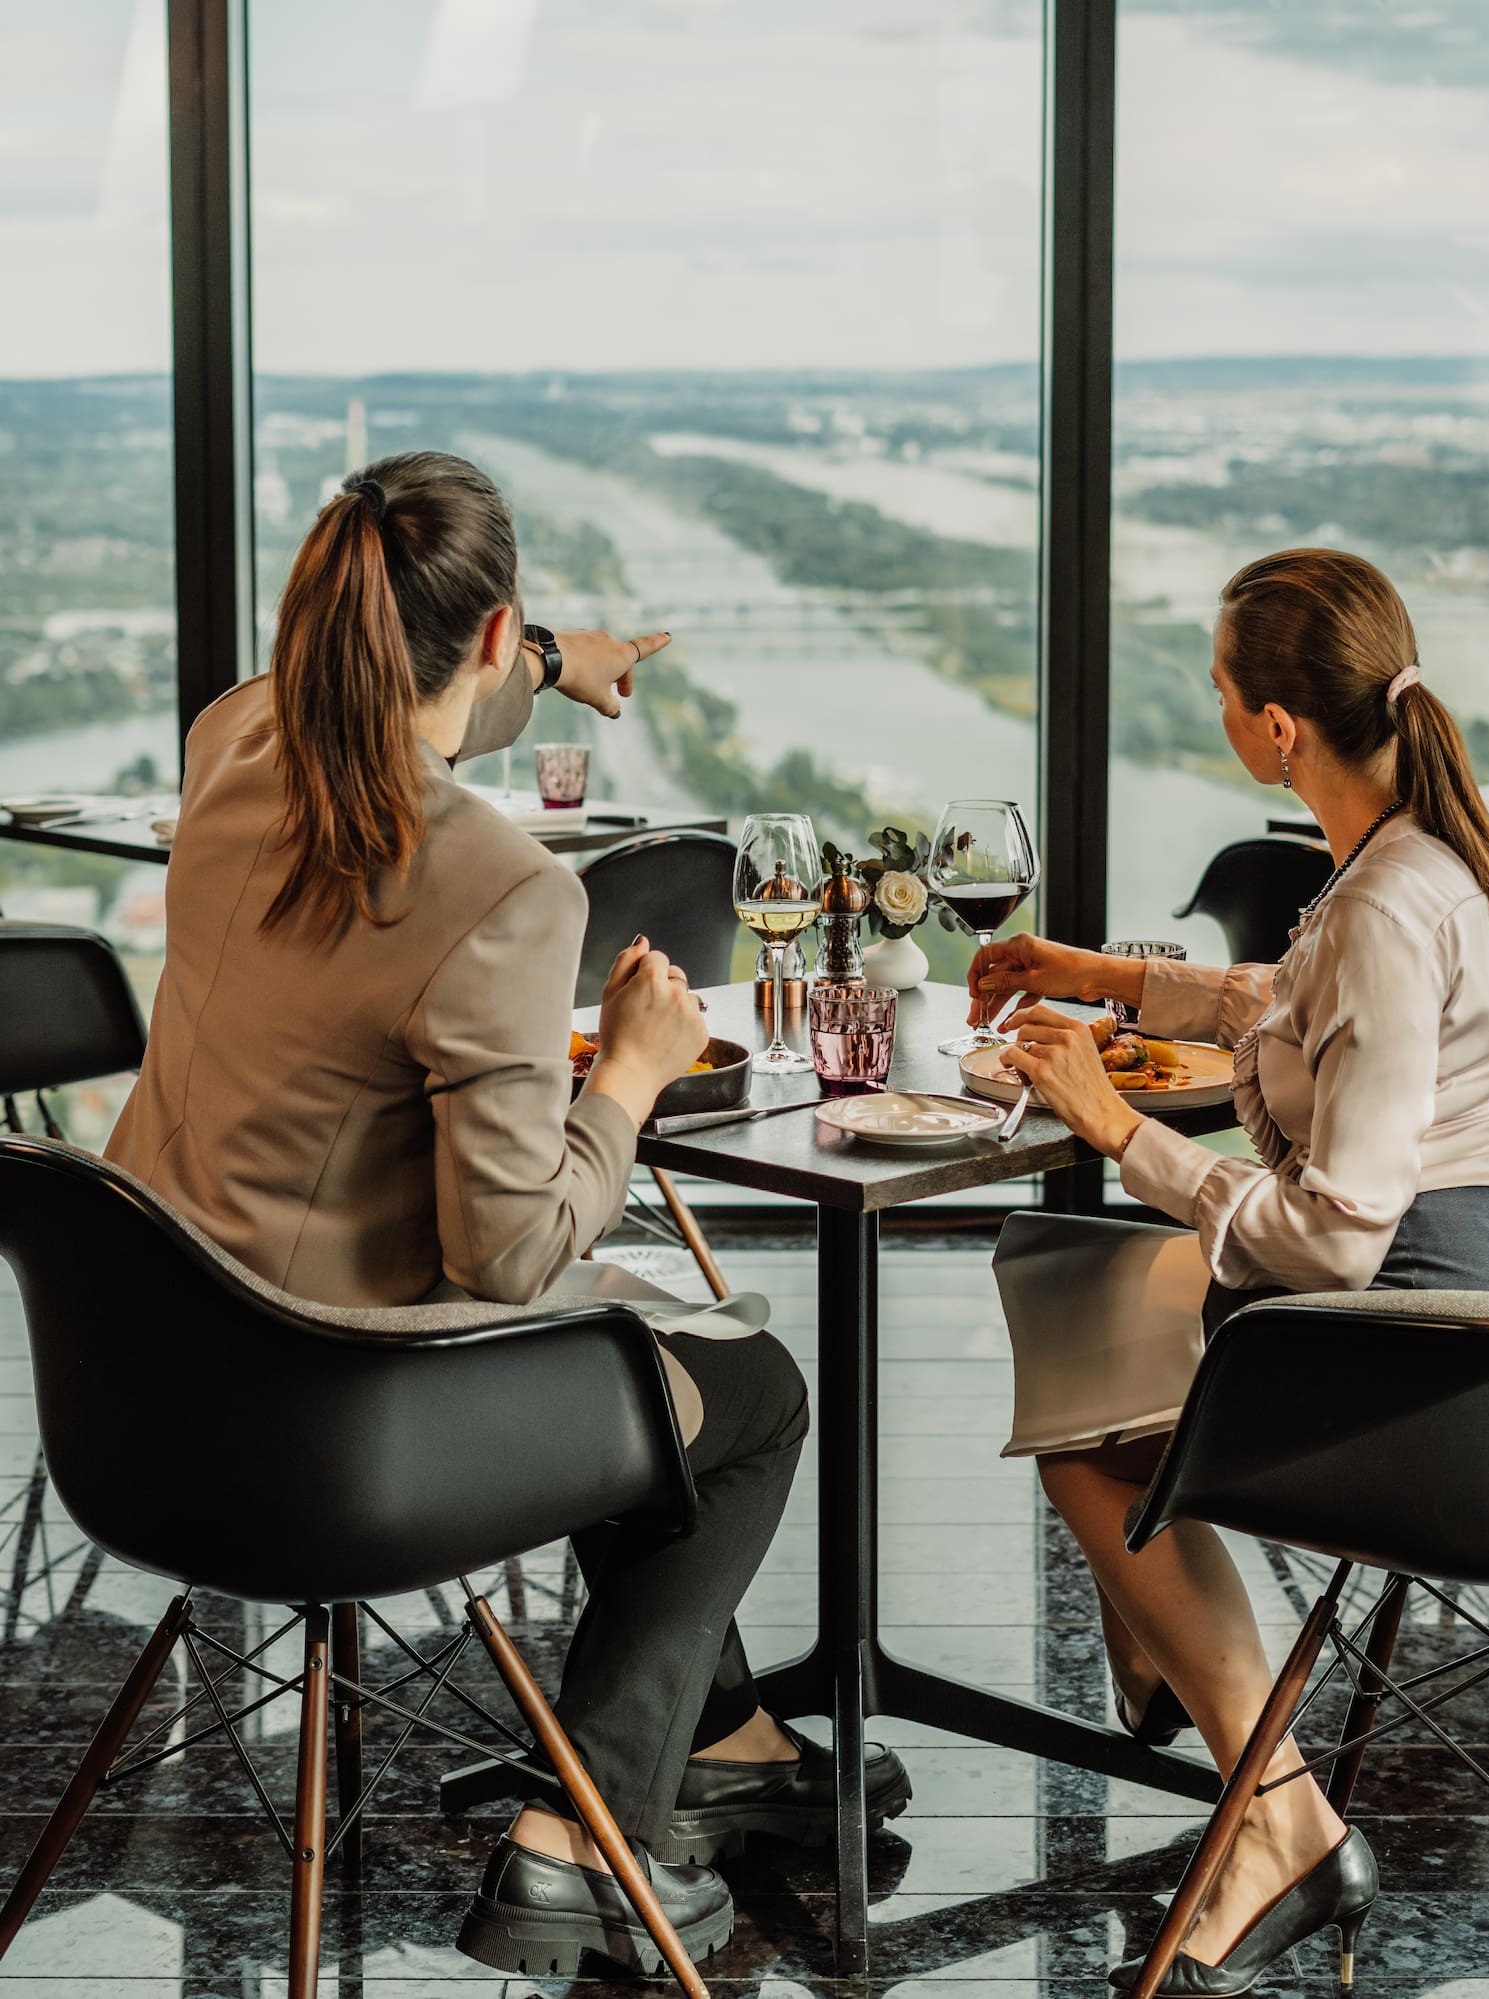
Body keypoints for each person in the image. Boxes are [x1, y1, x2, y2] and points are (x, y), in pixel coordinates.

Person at [105, 450, 908, 1978]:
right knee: (743, 1392)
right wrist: (633, 1082)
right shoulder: (495, 885)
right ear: (486, 639)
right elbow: (511, 1255)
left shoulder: (232, 743)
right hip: (328, 1427)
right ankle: (577, 1839)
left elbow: (380, 666)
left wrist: (549, 654)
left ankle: (726, 1742)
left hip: (147, 1394)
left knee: (630, 1346)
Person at [968, 547, 1489, 1995]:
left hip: (1470, 1380)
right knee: (1060, 1272)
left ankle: (1275, 1815)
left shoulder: (1387, 902)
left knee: (1086, 1426)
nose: (1212, 711)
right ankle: (1168, 1643)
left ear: (1276, 727)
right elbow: (1297, 999)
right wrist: (1100, 973)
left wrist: (1118, 1124)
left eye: (1217, 689)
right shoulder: (1406, 858)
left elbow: (1332, 1231)